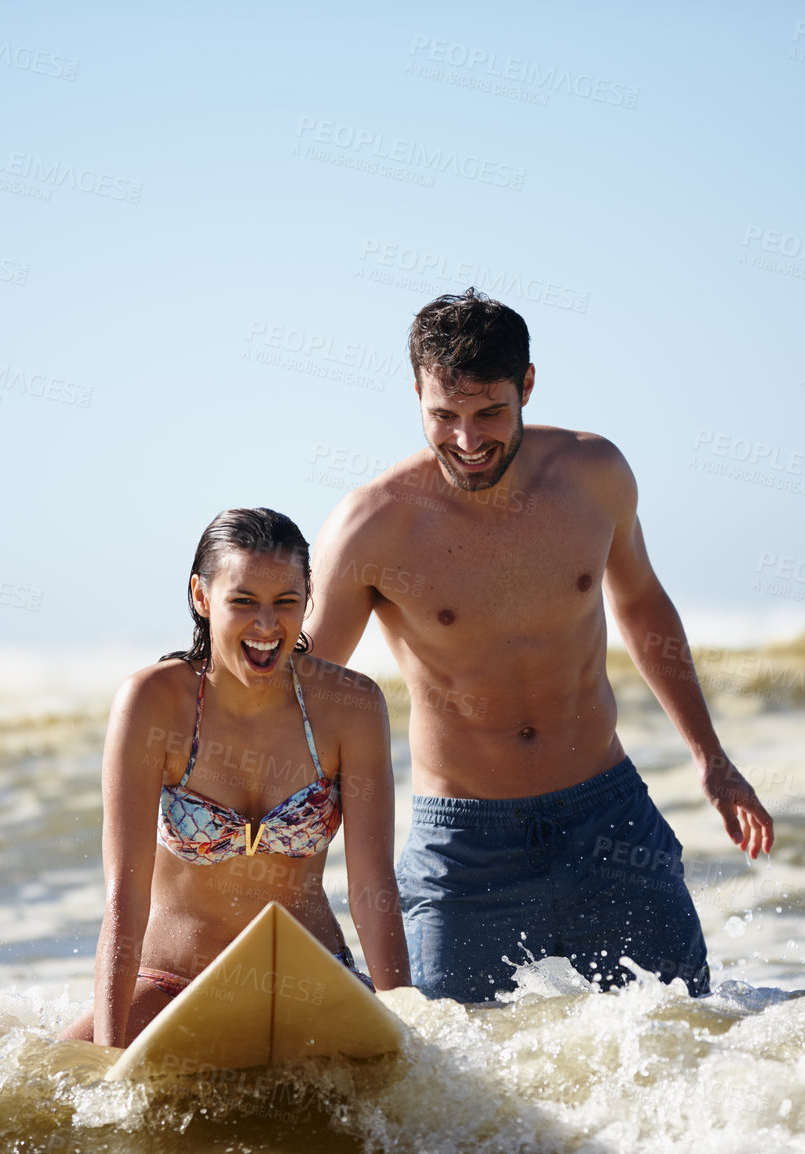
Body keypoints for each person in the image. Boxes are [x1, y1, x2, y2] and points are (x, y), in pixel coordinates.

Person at [303, 289, 774, 1004]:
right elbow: (304, 696)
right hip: (463, 849)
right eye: (444, 416)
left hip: (607, 819)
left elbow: (642, 603)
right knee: (454, 1074)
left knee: (690, 1029)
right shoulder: (374, 528)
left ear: (526, 385)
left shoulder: (593, 476)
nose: (467, 441)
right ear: (418, 397)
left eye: (489, 412)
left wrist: (711, 758)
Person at [63, 508, 410, 1047]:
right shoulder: (153, 704)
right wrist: (110, 1051)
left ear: (309, 595)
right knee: (44, 1099)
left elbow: (371, 887)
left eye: (286, 602)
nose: (267, 626)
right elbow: (125, 893)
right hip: (173, 985)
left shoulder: (352, 705)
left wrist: (402, 1025)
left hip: (312, 979)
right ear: (202, 597)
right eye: (243, 602)